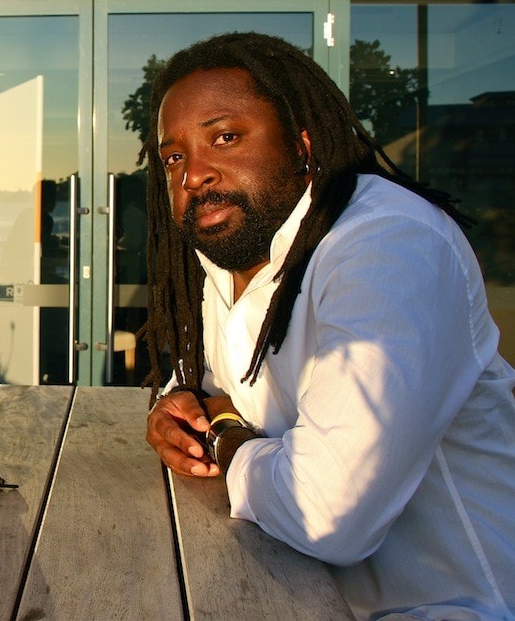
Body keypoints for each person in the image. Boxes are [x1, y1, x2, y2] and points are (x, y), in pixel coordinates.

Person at [142, 32, 515, 619]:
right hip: (290, 589)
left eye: (225, 137)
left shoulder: (388, 246)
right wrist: (177, 405)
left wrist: (226, 439)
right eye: (174, 156)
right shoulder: (231, 261)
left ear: (303, 144)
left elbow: (326, 514)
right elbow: (216, 381)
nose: (193, 175)